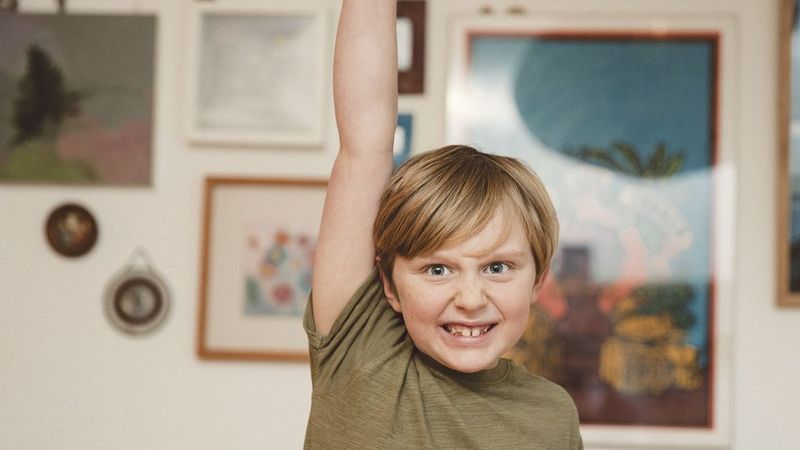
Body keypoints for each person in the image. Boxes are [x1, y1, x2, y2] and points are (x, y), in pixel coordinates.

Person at [303, 0, 583, 448]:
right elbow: (364, 148)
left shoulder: (552, 415)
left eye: (497, 267)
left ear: (537, 281)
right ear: (390, 287)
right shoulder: (362, 352)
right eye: (437, 269)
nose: (470, 299)